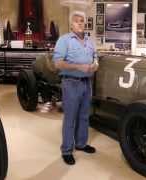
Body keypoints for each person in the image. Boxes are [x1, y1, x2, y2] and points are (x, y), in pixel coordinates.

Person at [53, 11, 98, 165]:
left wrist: (95, 64)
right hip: (71, 82)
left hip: (87, 83)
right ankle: (66, 150)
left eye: (82, 21)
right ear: (71, 24)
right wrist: (79, 67)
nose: (80, 23)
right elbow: (58, 63)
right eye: (77, 21)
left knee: (84, 116)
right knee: (70, 117)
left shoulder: (89, 41)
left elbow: (95, 57)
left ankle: (81, 144)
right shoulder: (64, 40)